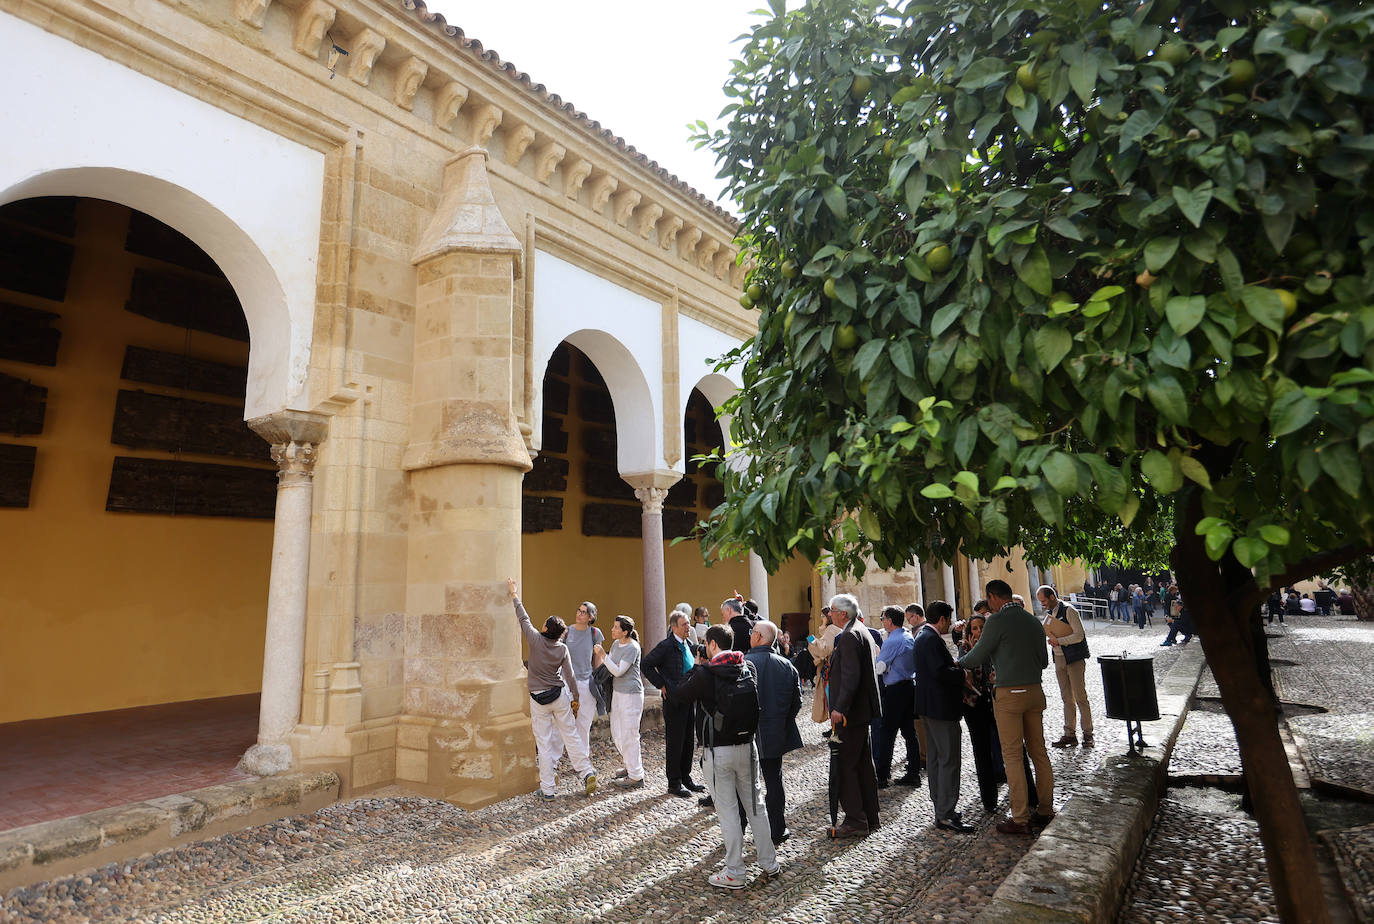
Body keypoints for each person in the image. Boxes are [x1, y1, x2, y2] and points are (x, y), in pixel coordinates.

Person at [665, 624, 779, 888]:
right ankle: (769, 863)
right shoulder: (748, 667)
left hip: (718, 751)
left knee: (728, 812)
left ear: (712, 644)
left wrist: (695, 664)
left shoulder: (706, 673)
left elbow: (679, 694)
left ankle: (735, 872)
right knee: (756, 807)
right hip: (748, 747)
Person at [958, 579, 1054, 836]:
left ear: (992, 597)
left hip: (1009, 694)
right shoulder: (1033, 621)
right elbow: (1044, 661)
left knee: (1011, 755)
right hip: (1034, 690)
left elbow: (977, 656)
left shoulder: (997, 621)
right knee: (1039, 752)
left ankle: (1020, 817)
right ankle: (1045, 809)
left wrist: (959, 662)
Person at [507, 579, 597, 800]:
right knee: (571, 735)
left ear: (546, 628)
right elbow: (570, 676)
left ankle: (547, 790)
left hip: (538, 699)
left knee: (544, 743)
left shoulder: (535, 640)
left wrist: (514, 594)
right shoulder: (562, 648)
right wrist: (576, 698)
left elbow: (523, 618)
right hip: (559, 697)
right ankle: (586, 773)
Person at [915, 600, 975, 832]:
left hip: (929, 707)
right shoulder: (930, 639)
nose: (949, 624)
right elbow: (940, 673)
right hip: (941, 708)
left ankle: (941, 806)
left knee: (936, 759)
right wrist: (961, 674)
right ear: (941, 619)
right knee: (948, 759)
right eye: (948, 620)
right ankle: (945, 812)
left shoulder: (923, 636)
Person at [826, 593, 882, 837]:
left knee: (847, 766)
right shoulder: (860, 630)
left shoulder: (849, 635)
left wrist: (839, 707)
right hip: (861, 712)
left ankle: (856, 820)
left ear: (842, 613)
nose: (829, 615)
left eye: (831, 610)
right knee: (862, 764)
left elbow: (851, 676)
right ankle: (869, 815)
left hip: (851, 714)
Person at [745, 619, 803, 845]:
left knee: (744, 785)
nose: (750, 636)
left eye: (752, 633)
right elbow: (797, 701)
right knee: (774, 781)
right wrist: (783, 720)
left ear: (758, 637)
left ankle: (739, 832)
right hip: (776, 731)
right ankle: (778, 829)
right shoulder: (786, 665)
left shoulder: (744, 662)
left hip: (748, 734)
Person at [643, 611, 707, 798]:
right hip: (673, 699)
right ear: (674, 627)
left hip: (688, 698)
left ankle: (686, 777)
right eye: (684, 624)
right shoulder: (666, 646)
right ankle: (674, 782)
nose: (688, 627)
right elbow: (646, 664)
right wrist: (661, 685)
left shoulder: (687, 644)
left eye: (688, 623)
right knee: (675, 742)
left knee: (688, 740)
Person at [1037, 585, 1094, 749]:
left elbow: (1079, 635)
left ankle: (1088, 733)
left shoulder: (1069, 611)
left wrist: (1059, 641)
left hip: (1074, 658)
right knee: (1066, 697)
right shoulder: (1049, 615)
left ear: (1052, 597)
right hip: (1059, 658)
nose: (1042, 604)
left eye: (1044, 601)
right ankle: (1070, 733)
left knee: (1080, 697)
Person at [873, 605, 920, 788]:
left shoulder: (892, 640)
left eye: (883, 618)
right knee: (909, 732)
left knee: (887, 733)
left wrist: (877, 654)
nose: (882, 621)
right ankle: (913, 772)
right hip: (909, 686)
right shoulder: (908, 636)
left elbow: (879, 667)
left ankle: (882, 776)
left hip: (895, 690)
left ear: (890, 621)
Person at [602, 615, 646, 789]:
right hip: (618, 693)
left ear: (625, 632)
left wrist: (602, 656)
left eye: (615, 627)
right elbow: (611, 665)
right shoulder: (615, 644)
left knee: (630, 734)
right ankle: (630, 765)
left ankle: (636, 776)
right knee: (618, 732)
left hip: (631, 695)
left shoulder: (632, 647)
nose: (612, 630)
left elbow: (618, 671)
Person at [560, 600, 604, 757]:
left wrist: (598, 680)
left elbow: (597, 659)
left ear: (591, 617)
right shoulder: (566, 632)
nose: (579, 614)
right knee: (564, 720)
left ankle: (582, 757)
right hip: (567, 682)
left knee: (583, 723)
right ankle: (559, 757)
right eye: (578, 610)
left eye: (583, 612)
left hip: (586, 682)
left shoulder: (595, 633)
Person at [808, 605, 844, 723]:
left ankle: (836, 730)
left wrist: (811, 642)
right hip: (832, 669)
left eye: (822, 616)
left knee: (830, 700)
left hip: (831, 670)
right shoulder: (832, 629)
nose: (821, 618)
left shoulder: (831, 629)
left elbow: (824, 649)